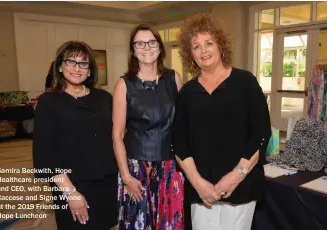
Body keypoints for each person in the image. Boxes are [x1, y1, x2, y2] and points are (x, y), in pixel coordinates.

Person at [173, 13, 272, 230]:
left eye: (209, 43)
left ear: (221, 45)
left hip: (241, 185)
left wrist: (236, 176)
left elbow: (261, 134)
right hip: (201, 190)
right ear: (190, 54)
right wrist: (198, 184)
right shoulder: (187, 92)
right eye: (196, 46)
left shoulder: (245, 82)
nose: (204, 50)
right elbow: (179, 142)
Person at [33, 41, 117, 230]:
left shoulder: (104, 98)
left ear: (90, 70)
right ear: (60, 66)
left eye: (83, 63)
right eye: (71, 62)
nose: (77, 68)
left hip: (107, 182)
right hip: (72, 184)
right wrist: (70, 193)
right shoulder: (49, 102)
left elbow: (116, 137)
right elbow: (45, 153)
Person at [112, 24, 185, 230]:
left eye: (152, 42)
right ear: (133, 49)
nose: (146, 47)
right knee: (138, 225)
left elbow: (183, 124)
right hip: (136, 169)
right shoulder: (124, 84)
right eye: (140, 43)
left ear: (160, 47)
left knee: (171, 224)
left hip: (171, 165)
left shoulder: (174, 78)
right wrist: (126, 178)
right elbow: (117, 136)